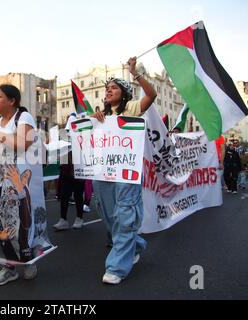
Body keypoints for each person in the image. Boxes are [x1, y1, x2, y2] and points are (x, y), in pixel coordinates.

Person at [91, 56, 157, 285]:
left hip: (126, 172)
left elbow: (151, 95)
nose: (108, 91)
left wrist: (134, 71)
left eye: (114, 88)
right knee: (108, 215)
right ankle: (134, 244)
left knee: (125, 215)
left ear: (124, 93)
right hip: (103, 172)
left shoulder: (131, 108)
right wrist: (93, 121)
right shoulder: (101, 116)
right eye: (107, 89)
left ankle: (117, 268)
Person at [0, 84, 40, 286]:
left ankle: (29, 262)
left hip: (20, 184)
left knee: (24, 225)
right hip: (0, 185)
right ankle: (8, 268)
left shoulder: (24, 118)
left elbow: (23, 143)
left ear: (12, 100)